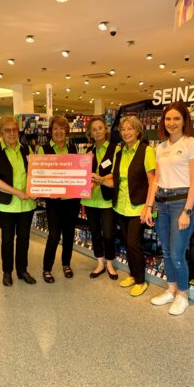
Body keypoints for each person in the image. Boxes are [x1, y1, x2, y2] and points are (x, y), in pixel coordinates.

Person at [145, 101, 194, 315]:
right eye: (168, 119)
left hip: (181, 203)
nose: (172, 123)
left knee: (178, 254)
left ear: (185, 120)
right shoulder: (160, 147)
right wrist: (149, 205)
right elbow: (156, 180)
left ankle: (183, 295)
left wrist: (187, 211)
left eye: (176, 118)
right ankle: (171, 290)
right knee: (167, 251)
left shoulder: (192, 144)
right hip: (162, 203)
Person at [99, 116, 155, 296]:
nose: (126, 132)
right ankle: (132, 274)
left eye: (130, 128)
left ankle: (140, 280)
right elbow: (115, 180)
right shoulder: (119, 152)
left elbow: (152, 180)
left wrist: (148, 206)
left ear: (138, 131)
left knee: (133, 243)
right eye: (123, 129)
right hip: (120, 206)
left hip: (138, 206)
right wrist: (99, 179)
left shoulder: (146, 151)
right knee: (127, 242)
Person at [0, 116, 36, 286]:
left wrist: (37, 189)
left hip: (26, 204)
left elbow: (37, 174)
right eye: (7, 130)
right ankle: (7, 271)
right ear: (0, 132)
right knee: (7, 239)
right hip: (5, 204)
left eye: (15, 129)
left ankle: (22, 270)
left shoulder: (27, 150)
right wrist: (17, 192)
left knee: (24, 238)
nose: (12, 133)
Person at [38, 115, 80, 283]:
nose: (59, 131)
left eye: (62, 128)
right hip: (53, 201)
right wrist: (47, 191)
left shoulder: (72, 148)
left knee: (69, 234)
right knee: (54, 235)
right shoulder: (44, 149)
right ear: (51, 131)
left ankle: (66, 264)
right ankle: (47, 268)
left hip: (71, 200)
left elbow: (76, 172)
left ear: (66, 131)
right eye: (55, 128)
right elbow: (39, 174)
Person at [81, 117, 119, 280]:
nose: (97, 132)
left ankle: (110, 263)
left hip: (106, 199)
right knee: (95, 233)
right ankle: (100, 263)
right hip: (90, 199)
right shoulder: (87, 151)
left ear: (106, 130)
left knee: (109, 234)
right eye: (94, 129)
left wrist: (99, 178)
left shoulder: (115, 149)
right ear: (90, 133)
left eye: (100, 128)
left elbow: (117, 172)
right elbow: (82, 173)